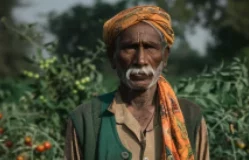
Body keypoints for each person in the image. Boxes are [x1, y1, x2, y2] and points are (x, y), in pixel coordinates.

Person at [64, 5, 210, 160]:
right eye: (130, 48)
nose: (140, 60)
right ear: (112, 56)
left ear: (165, 56)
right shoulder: (86, 120)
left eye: (149, 47)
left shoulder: (189, 116)